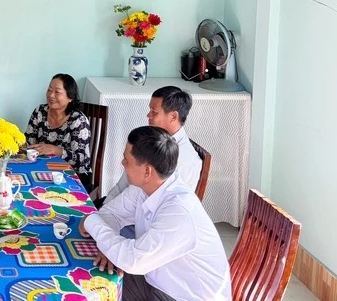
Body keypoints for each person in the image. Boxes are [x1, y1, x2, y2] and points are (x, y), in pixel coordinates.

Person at [79, 126, 232, 301]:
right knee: (89, 280)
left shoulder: (179, 211)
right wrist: (110, 248)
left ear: (147, 171)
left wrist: (92, 222)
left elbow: (132, 260)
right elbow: (110, 213)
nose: (122, 164)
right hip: (154, 280)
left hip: (182, 296)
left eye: (126, 160)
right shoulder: (145, 187)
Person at [102, 86, 201, 206]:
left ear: (173, 116)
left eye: (154, 112)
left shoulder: (185, 160)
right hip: (118, 208)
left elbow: (164, 206)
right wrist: (105, 206)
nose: (148, 115)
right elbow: (123, 184)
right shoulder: (151, 139)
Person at [25, 73, 92, 190]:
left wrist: (56, 150)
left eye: (57, 92)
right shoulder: (39, 112)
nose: (51, 95)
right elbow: (29, 143)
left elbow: (81, 160)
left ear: (70, 97)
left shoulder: (78, 120)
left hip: (74, 175)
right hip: (42, 170)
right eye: (49, 90)